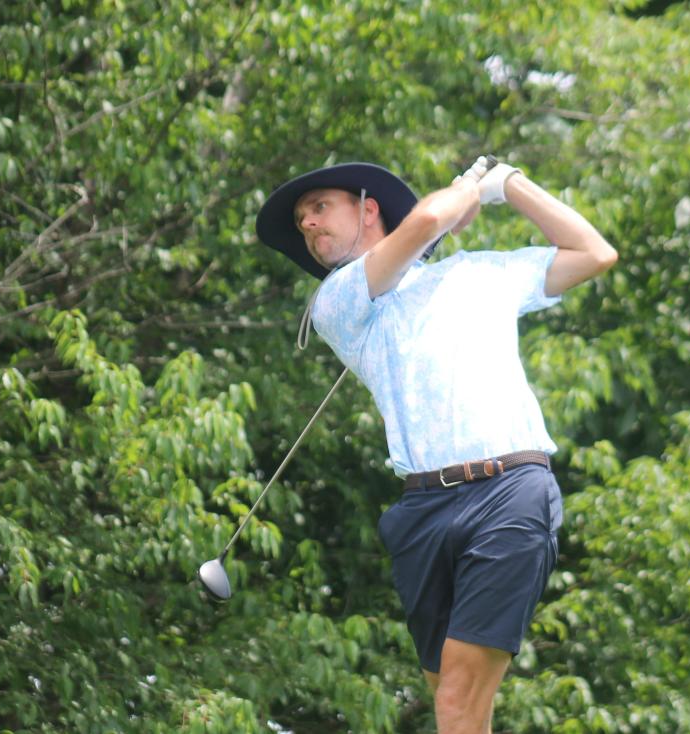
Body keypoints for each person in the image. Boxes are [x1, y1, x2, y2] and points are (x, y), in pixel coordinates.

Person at [255, 156, 617, 734]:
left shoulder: (480, 272)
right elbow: (425, 222)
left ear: (368, 209)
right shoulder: (337, 300)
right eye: (301, 221)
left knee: (455, 704)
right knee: (458, 706)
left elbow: (594, 253)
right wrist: (463, 190)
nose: (308, 226)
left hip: (510, 491)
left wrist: (510, 186)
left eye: (319, 208)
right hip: (422, 512)